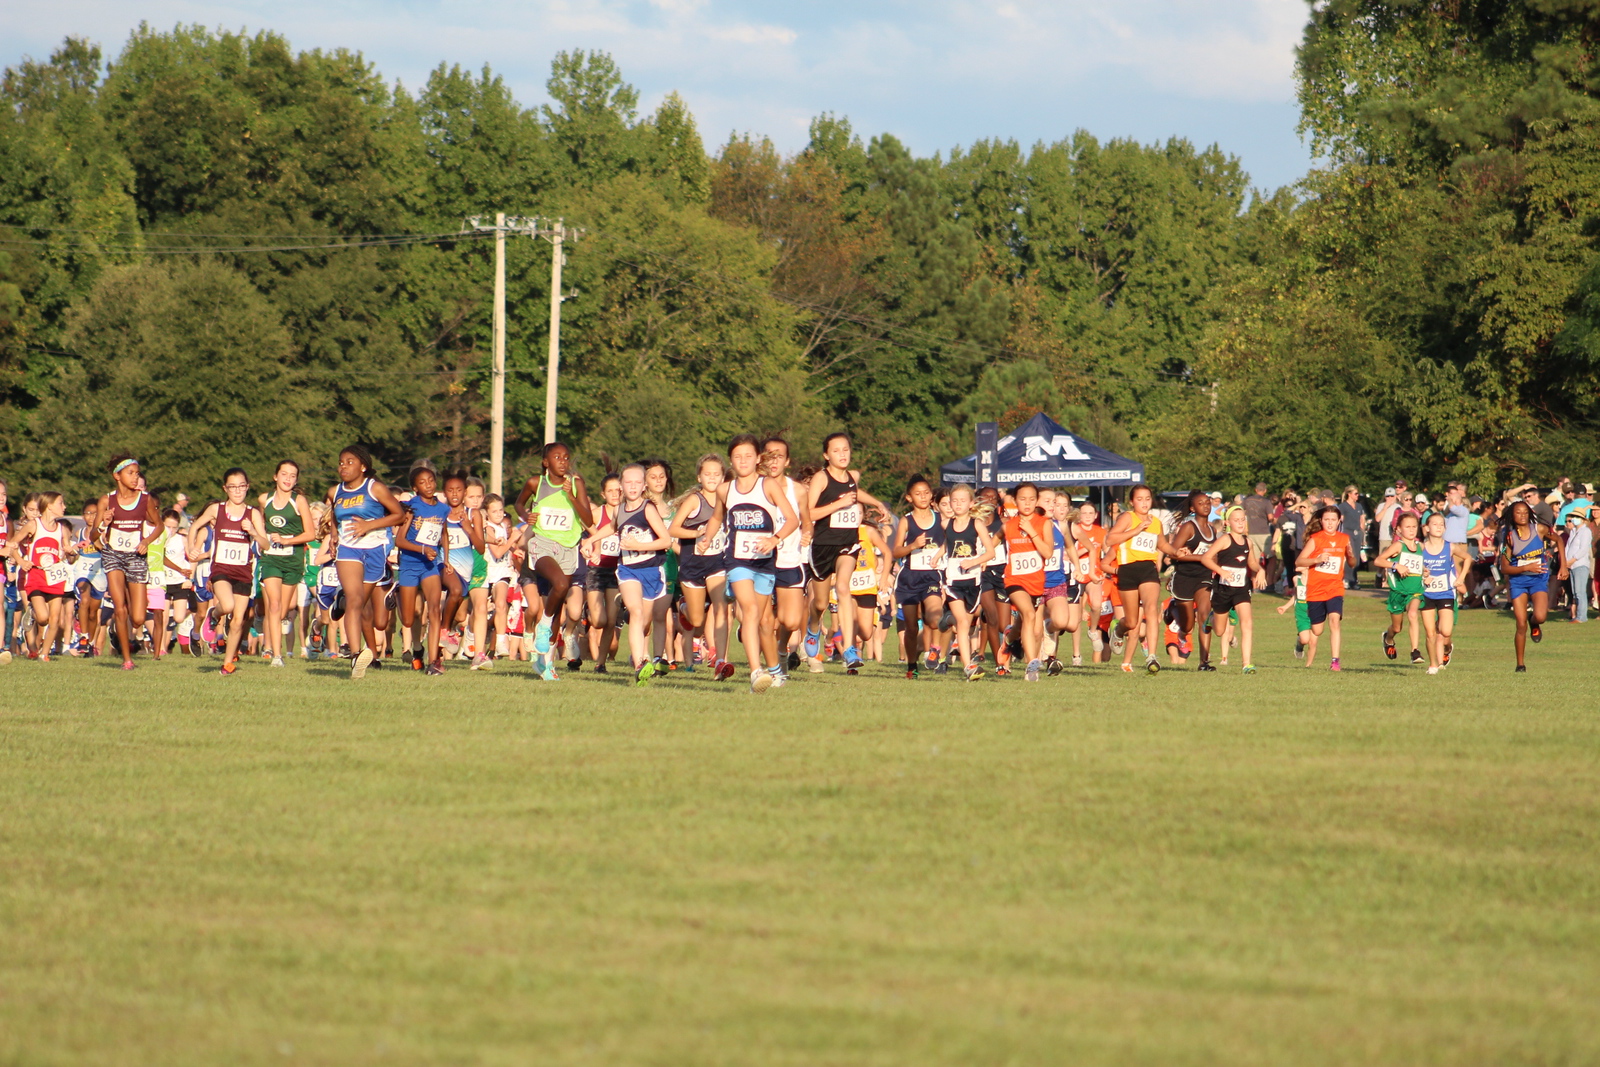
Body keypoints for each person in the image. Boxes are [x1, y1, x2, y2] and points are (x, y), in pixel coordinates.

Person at [700, 435, 800, 692]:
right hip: (736, 561)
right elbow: (716, 518)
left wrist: (774, 539)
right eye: (737, 456)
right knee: (750, 611)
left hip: (765, 564)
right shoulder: (725, 489)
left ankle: (775, 669)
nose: (743, 460)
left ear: (757, 459)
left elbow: (791, 520)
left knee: (766, 621)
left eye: (748, 456)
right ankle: (756, 671)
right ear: (730, 461)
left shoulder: (768, 486)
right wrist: (707, 538)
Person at [804, 433, 885, 674]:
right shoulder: (821, 478)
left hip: (847, 544)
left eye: (846, 449)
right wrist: (838, 504)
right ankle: (814, 626)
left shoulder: (853, 477)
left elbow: (856, 493)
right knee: (819, 603)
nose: (842, 454)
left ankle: (849, 650)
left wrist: (876, 503)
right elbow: (809, 513)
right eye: (836, 451)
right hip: (821, 547)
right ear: (826, 455)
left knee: (842, 588)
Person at [514, 442, 594, 681]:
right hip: (543, 543)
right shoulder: (535, 483)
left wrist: (571, 495)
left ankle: (545, 663)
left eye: (566, 457)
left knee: (556, 608)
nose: (563, 461)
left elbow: (588, 519)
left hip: (569, 547)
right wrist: (525, 515)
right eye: (557, 457)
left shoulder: (576, 483)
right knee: (560, 585)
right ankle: (543, 626)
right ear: (546, 462)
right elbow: (519, 503)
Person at [589, 463, 673, 684]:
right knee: (635, 612)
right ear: (621, 486)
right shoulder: (619, 509)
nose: (633, 486)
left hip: (651, 570)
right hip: (627, 569)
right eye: (628, 482)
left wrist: (638, 544)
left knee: (644, 622)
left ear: (644, 485)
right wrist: (591, 539)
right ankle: (639, 665)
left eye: (637, 482)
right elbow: (613, 526)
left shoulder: (648, 509)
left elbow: (666, 541)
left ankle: (645, 657)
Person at [326, 445, 405, 679]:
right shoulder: (335, 491)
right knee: (355, 600)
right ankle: (356, 656)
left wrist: (368, 525)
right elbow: (334, 515)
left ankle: (343, 600)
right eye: (341, 462)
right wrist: (334, 534)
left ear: (363, 466)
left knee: (365, 608)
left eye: (350, 462)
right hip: (349, 549)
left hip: (375, 550)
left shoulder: (375, 488)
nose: (343, 466)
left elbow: (398, 515)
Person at [187, 469, 270, 675]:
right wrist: (190, 548)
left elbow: (266, 544)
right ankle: (214, 614)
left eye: (241, 486)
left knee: (238, 621)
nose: (237, 491)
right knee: (228, 605)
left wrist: (252, 532)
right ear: (225, 488)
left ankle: (226, 664)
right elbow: (195, 525)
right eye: (232, 487)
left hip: (243, 571)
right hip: (221, 569)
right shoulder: (217, 509)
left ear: (247, 487)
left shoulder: (253, 514)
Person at [1105, 484, 1187, 674]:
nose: (1144, 503)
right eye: (1139, 499)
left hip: (1148, 569)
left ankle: (1152, 655)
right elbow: (1110, 539)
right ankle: (1118, 630)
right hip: (1127, 570)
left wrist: (1176, 551)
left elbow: (1163, 545)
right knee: (1132, 622)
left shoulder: (1155, 522)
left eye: (1147, 499)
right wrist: (1135, 530)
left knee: (1151, 609)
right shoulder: (1127, 517)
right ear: (1132, 502)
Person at [96, 455, 163, 669]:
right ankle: (127, 660)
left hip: (136, 557)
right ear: (117, 476)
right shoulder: (106, 500)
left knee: (138, 618)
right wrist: (103, 525)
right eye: (130, 473)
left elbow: (159, 525)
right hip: (113, 555)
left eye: (137, 473)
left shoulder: (145, 499)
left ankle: (122, 632)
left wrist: (147, 541)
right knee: (120, 609)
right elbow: (92, 536)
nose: (135, 477)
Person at [668, 455, 732, 678]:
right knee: (697, 621)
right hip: (692, 564)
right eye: (708, 474)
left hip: (717, 563)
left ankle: (721, 661)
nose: (712, 478)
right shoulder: (695, 500)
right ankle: (684, 607)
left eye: (717, 474)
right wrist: (696, 533)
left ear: (723, 477)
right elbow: (673, 530)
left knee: (722, 607)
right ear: (699, 477)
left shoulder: (728, 499)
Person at [394, 463, 451, 675]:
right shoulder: (411, 507)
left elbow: (443, 533)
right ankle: (417, 649)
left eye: (431, 481)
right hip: (409, 565)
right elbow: (400, 540)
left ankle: (434, 661)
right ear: (415, 488)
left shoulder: (443, 509)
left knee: (434, 611)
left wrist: (447, 559)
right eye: (422, 482)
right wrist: (423, 548)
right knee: (410, 618)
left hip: (429, 566)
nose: (428, 485)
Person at [257, 460, 315, 668]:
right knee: (274, 605)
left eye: (292, 476)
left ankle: (262, 622)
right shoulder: (264, 499)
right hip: (271, 558)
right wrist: (261, 536)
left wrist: (287, 540)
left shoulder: (299, 501)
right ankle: (276, 656)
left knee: (282, 611)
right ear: (275, 476)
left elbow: (311, 533)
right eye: (284, 474)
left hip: (293, 559)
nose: (288, 479)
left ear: (296, 479)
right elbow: (259, 525)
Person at [761, 437, 810, 676]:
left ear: (787, 461)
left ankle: (781, 648)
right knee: (763, 620)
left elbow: (807, 520)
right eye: (769, 455)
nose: (774, 460)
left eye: (779, 456)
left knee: (790, 621)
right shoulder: (754, 486)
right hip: (759, 561)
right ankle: (770, 668)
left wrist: (807, 532)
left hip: (790, 559)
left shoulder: (797, 490)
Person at [891, 475, 947, 679]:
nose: (923, 497)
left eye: (926, 493)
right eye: (918, 494)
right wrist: (913, 546)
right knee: (912, 628)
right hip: (909, 579)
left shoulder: (940, 518)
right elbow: (895, 551)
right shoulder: (906, 521)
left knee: (934, 619)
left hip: (932, 576)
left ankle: (934, 649)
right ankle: (911, 666)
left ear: (931, 495)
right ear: (909, 498)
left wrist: (942, 551)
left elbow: (954, 538)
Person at [1199, 505, 1267, 673]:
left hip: (1241, 589)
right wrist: (1221, 571)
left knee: (1247, 623)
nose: (1240, 523)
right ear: (1227, 522)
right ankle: (1211, 618)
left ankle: (1246, 664)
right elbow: (1206, 558)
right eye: (1236, 520)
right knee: (1220, 631)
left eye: (1243, 519)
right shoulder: (1224, 540)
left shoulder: (1248, 542)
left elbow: (1251, 563)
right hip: (1223, 589)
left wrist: (1261, 570)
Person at [939, 483, 997, 680]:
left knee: (968, 621)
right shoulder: (946, 524)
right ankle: (968, 667)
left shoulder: (977, 524)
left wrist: (974, 561)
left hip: (972, 581)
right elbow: (947, 545)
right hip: (953, 581)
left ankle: (948, 619)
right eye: (954, 501)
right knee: (963, 623)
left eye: (962, 501)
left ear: (971, 503)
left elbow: (990, 552)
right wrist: (937, 556)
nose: (957, 504)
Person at [8, 492, 75, 660]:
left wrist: (71, 552)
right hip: (36, 576)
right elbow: (12, 544)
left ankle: (44, 654)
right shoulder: (33, 525)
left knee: (55, 619)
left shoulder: (63, 529)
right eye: (61, 503)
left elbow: (71, 557)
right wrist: (21, 561)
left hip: (55, 577)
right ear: (49, 506)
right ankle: (31, 612)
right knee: (43, 618)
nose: (65, 506)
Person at [999, 482, 1056, 681]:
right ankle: (1032, 664)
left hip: (1036, 582)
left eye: (1032, 499)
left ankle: (1009, 638)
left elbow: (1048, 553)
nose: (1027, 503)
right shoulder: (1008, 525)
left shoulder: (1044, 523)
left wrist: (1032, 531)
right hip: (1014, 580)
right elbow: (991, 543)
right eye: (1022, 499)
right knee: (1030, 615)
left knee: (1024, 621)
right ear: (1015, 501)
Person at [1295, 505, 1358, 671]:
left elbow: (1352, 563)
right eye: (1326, 520)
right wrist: (1317, 559)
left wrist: (1351, 555)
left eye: (1333, 520)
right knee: (1317, 629)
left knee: (1335, 621)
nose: (1330, 523)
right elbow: (1299, 562)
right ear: (1321, 521)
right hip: (1315, 589)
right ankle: (1300, 641)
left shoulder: (1344, 538)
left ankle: (1335, 661)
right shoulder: (1315, 539)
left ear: (1339, 521)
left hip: (1335, 588)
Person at [1500, 499, 1559, 671]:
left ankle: (1534, 622)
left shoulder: (1539, 529)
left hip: (1538, 580)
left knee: (1541, 617)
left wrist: (1562, 566)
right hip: (1518, 582)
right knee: (1520, 624)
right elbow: (1504, 567)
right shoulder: (1510, 537)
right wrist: (1526, 567)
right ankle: (1520, 664)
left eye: (1525, 512)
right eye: (1518, 512)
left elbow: (1559, 541)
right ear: (1512, 515)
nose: (1522, 515)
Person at [1167, 490, 1217, 671]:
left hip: (1203, 578)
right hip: (1184, 578)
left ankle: (1204, 663)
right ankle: (1172, 610)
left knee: (1205, 616)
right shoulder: (1189, 526)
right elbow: (1173, 553)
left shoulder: (1212, 529)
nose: (1205, 505)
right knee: (1187, 626)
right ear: (1192, 508)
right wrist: (1199, 557)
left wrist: (1217, 568)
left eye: (1208, 502)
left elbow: (1214, 555)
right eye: (1201, 503)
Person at [1416, 511, 1471, 674]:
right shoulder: (1421, 547)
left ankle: (1447, 648)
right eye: (1435, 524)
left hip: (1445, 593)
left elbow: (1468, 558)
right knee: (1430, 633)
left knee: (1445, 631)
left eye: (1441, 524)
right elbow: (1411, 564)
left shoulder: (1450, 547)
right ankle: (1433, 664)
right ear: (1426, 528)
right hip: (1426, 594)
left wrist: (1460, 578)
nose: (1438, 527)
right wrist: (1422, 574)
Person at [580, 473, 623, 673]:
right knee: (599, 621)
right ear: (603, 494)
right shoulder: (598, 513)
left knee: (612, 622)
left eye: (618, 490)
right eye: (610, 490)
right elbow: (582, 526)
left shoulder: (627, 512)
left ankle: (600, 663)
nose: (615, 494)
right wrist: (591, 544)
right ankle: (588, 616)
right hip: (596, 570)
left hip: (618, 572)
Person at [1374, 512, 1425, 665]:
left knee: (1413, 614)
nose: (1411, 530)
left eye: (1414, 527)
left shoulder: (1420, 546)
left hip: (1414, 591)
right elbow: (1378, 560)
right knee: (1397, 628)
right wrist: (1396, 565)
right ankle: (1388, 638)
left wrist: (1425, 571)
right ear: (1399, 530)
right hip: (1398, 592)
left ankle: (1415, 652)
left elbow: (1420, 564)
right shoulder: (1398, 546)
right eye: (1407, 527)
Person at [1560, 509, 1593, 623]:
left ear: (1582, 519)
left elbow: (1583, 549)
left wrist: (1572, 559)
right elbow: (1568, 548)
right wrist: (1566, 561)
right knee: (1575, 592)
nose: (1572, 519)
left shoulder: (1585, 531)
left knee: (1580, 591)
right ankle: (1578, 615)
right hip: (1572, 565)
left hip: (1580, 564)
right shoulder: (1574, 531)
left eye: (1574, 517)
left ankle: (1582, 617)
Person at [1336, 486, 1368, 590]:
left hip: (1357, 533)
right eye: (1355, 493)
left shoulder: (1358, 506)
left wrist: (1363, 535)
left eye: (1358, 494)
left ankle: (1353, 580)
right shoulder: (1343, 506)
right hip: (1347, 532)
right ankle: (1346, 579)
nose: (1357, 496)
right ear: (1349, 494)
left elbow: (1362, 520)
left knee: (1357, 559)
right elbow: (1340, 521)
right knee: (1351, 555)